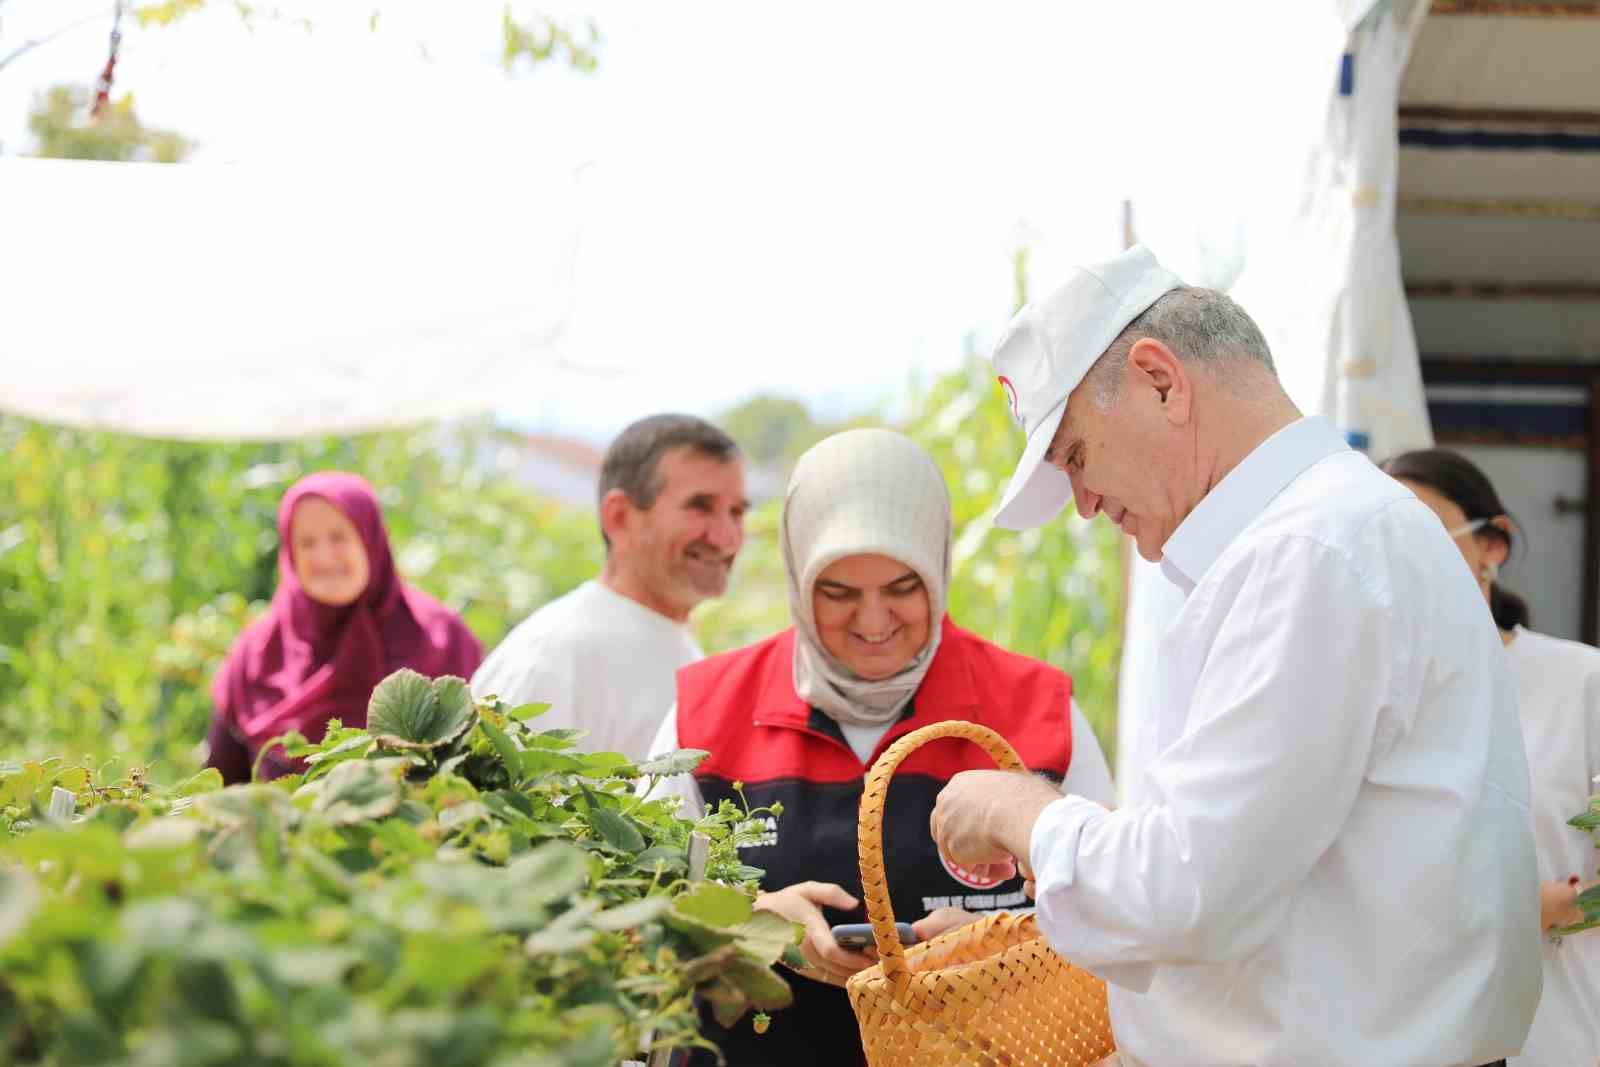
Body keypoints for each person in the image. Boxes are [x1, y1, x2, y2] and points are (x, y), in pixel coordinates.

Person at [929, 246, 1541, 1066]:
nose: (1083, 503)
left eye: (1075, 454)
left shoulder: (1310, 551)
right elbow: (1246, 862)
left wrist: (1018, 808)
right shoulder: (1334, 530)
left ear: (1160, 380)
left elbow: (1187, 891)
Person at [645, 427, 1115, 1067]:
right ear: (797, 574)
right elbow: (639, 913)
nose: (872, 623)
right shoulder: (706, 713)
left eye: (902, 588)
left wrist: (997, 951)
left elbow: (1114, 919)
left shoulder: (1037, 711)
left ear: (938, 566)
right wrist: (754, 924)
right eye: (837, 593)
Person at [1381, 447, 1600, 1067]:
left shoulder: (1580, 681)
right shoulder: (1375, 700)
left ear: (1492, 545)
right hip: (1419, 1038)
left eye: (1424, 530)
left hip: (1563, 1032)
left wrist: (1553, 905)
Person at [472, 415, 746, 760]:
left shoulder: (677, 643)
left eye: (736, 512)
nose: (726, 537)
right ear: (620, 517)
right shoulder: (552, 659)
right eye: (699, 507)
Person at [207, 471, 483, 783]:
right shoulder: (257, 654)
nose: (324, 556)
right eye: (307, 542)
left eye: (339, 536)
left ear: (370, 539)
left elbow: (480, 772)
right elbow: (220, 788)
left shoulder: (443, 639)